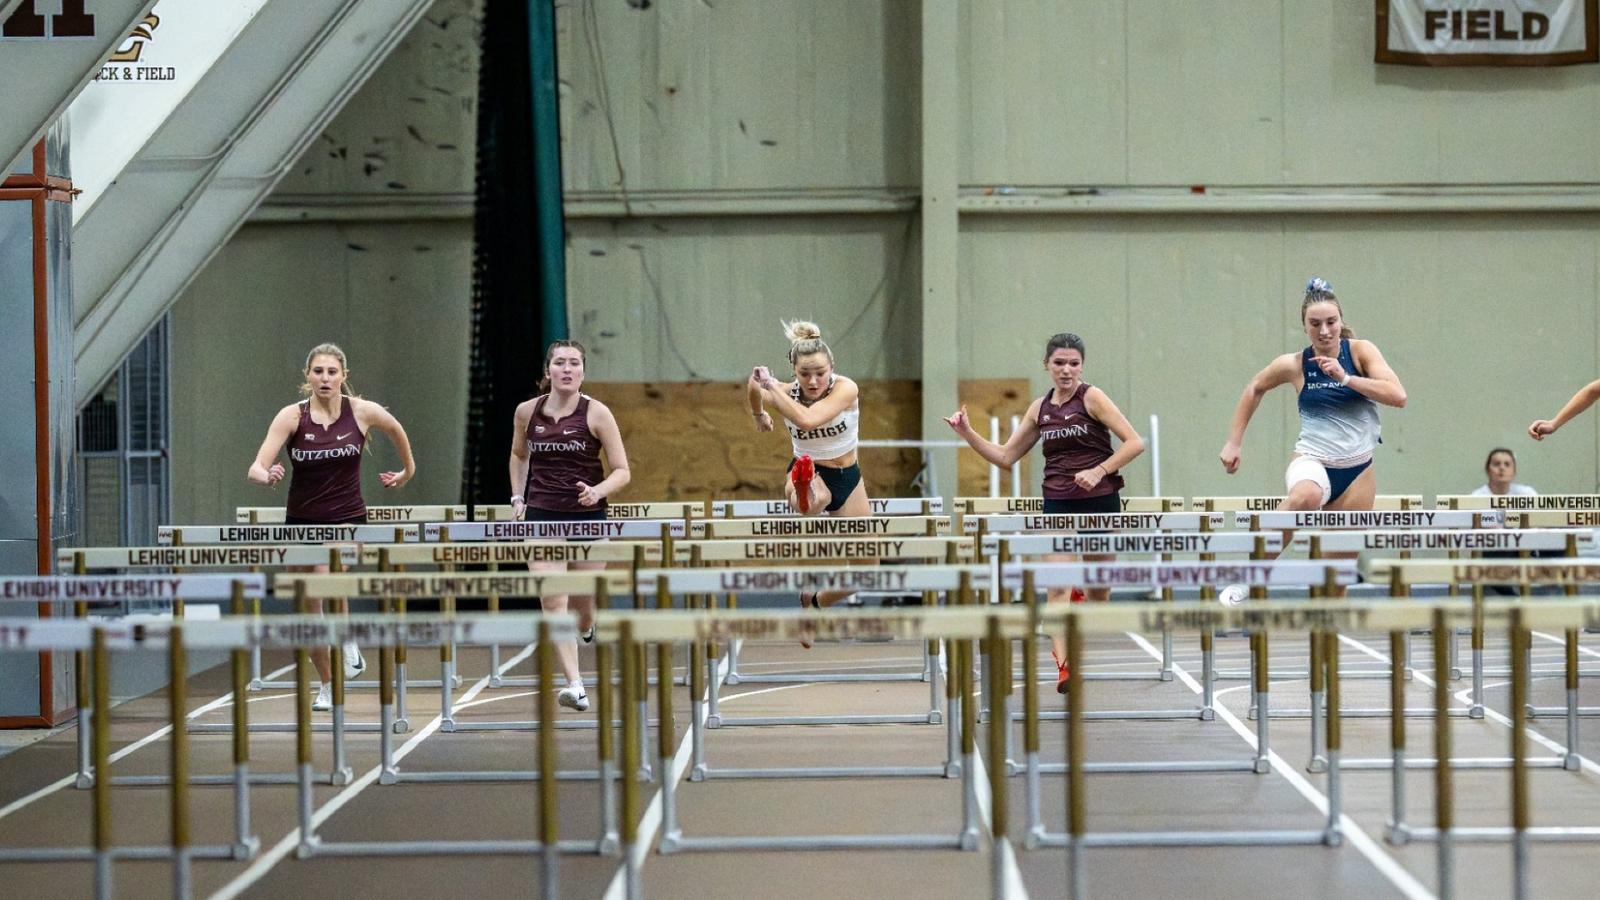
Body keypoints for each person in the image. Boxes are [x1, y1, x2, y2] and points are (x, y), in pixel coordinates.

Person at [944, 332, 1145, 692]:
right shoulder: (1040, 409)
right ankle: (1065, 667)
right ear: (1047, 365)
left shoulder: (1093, 397)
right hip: (1058, 503)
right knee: (1056, 591)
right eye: (1059, 363)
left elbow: (1135, 443)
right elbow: (1006, 457)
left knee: (1100, 593)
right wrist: (968, 434)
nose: (1066, 370)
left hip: (1100, 500)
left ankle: (1083, 598)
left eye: (1073, 364)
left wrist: (1099, 470)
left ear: (1082, 366)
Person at [1217, 278, 1407, 605]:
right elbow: (1254, 388)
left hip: (1358, 471)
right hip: (1313, 460)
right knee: (1305, 496)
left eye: (1331, 322)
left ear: (1340, 322)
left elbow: (1398, 396)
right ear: (1304, 327)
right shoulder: (1295, 364)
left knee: (1335, 578)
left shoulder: (1360, 351)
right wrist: (1234, 442)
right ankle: (1249, 576)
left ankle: (1325, 638)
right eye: (1315, 324)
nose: (1324, 331)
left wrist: (1346, 378)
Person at [248, 343, 415, 711]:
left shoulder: (361, 411)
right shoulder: (292, 417)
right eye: (318, 371)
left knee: (324, 576)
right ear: (308, 376)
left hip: (347, 520)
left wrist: (407, 471)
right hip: (301, 524)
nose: (325, 378)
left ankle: (346, 635)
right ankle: (327, 681)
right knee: (307, 609)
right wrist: (268, 476)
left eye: (332, 372)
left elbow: (397, 430)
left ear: (344, 377)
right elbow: (256, 466)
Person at [510, 339, 631, 711]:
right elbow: (518, 455)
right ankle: (575, 685)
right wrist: (518, 497)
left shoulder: (597, 413)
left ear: (582, 372)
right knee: (552, 599)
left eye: (574, 363)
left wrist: (597, 492)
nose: (567, 369)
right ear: (548, 371)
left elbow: (623, 471)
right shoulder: (526, 412)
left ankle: (586, 625)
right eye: (559, 363)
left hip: (587, 518)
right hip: (542, 516)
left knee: (581, 604)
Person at [748, 322, 869, 643]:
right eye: (804, 374)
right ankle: (804, 492)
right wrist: (758, 413)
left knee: (866, 572)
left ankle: (814, 603)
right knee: (813, 502)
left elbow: (807, 419)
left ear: (833, 369)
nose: (813, 381)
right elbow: (751, 387)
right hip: (808, 467)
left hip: (848, 475)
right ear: (794, 371)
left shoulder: (847, 388)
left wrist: (770, 389)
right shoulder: (785, 391)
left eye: (820, 373)